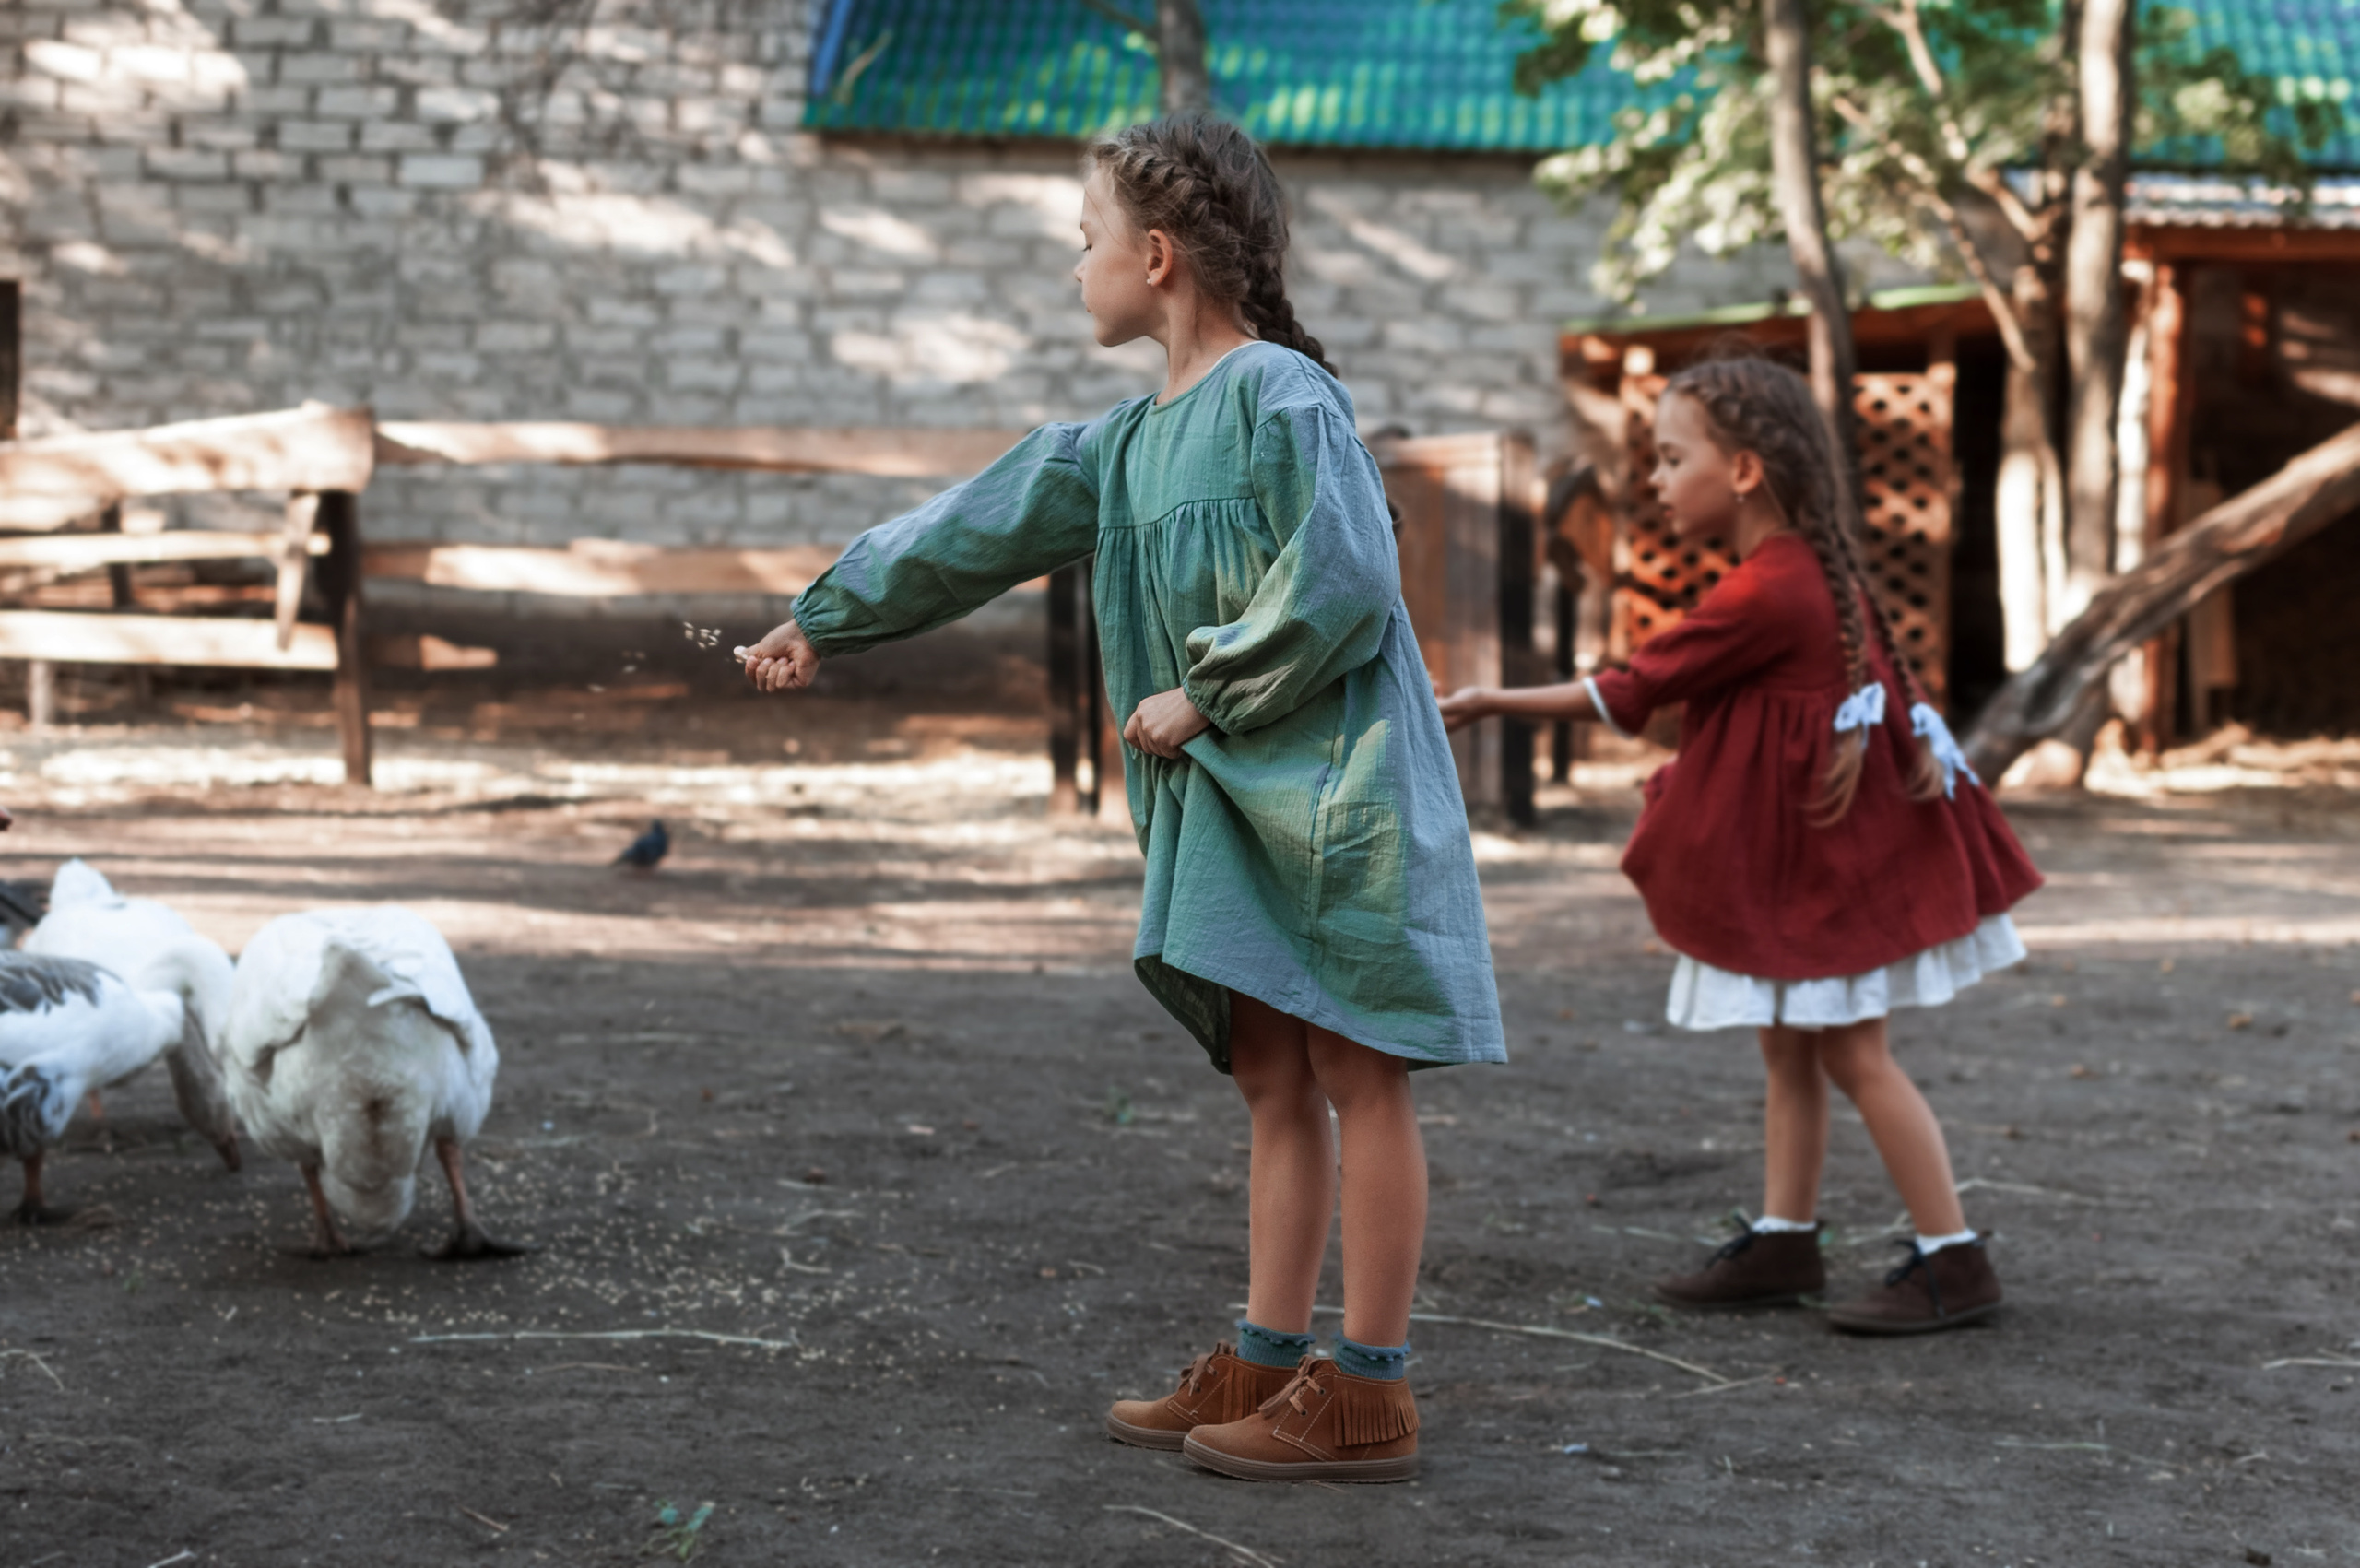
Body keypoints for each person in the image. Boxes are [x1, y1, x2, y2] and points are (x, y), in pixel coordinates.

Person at [741, 114, 1504, 1478]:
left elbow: (1345, 576)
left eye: (1083, 242)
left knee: (1357, 1071)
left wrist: (1206, 693)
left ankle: (1371, 1387)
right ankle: (1268, 1355)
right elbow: (969, 529)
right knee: (1272, 1072)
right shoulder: (1118, 446)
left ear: (1155, 257)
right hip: (1225, 802)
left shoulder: (1285, 396)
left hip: (1333, 789)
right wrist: (827, 617)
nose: (1070, 268)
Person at [1438, 355, 2041, 1334]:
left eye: (1675, 459)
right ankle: (1784, 1238)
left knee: (1853, 1054)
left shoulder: (1772, 589)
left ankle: (1953, 1259)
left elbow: (1631, 689)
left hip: (1828, 868)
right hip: (1819, 858)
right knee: (1790, 1048)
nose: (1658, 481)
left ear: (1747, 471)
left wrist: (1485, 701)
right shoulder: (1805, 572)